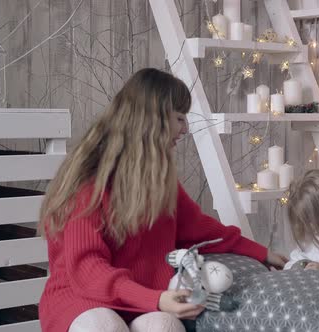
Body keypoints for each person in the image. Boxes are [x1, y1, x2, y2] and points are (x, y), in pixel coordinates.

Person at [37, 68, 287, 332]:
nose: (185, 128)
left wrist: (263, 253)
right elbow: (87, 270)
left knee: (165, 326)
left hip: (136, 300)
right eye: (180, 118)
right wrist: (155, 298)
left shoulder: (161, 184)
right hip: (81, 299)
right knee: (104, 327)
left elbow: (204, 231)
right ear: (152, 120)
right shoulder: (90, 181)